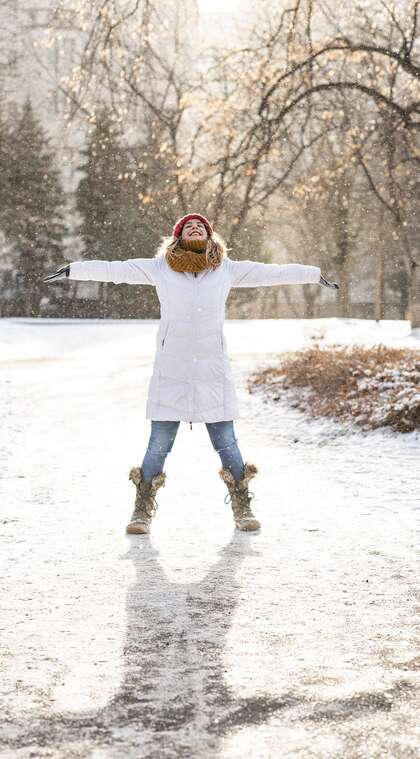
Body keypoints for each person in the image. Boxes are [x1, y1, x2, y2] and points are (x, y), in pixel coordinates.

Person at [44, 213, 339, 535]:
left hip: (212, 369)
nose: (195, 227)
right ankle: (141, 511)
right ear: (178, 236)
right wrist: (75, 269)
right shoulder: (160, 267)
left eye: (200, 225)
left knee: (226, 442)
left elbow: (272, 273)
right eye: (188, 226)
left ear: (210, 236)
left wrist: (314, 275)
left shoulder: (226, 269)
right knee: (158, 444)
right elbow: (118, 269)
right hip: (172, 368)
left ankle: (243, 507)